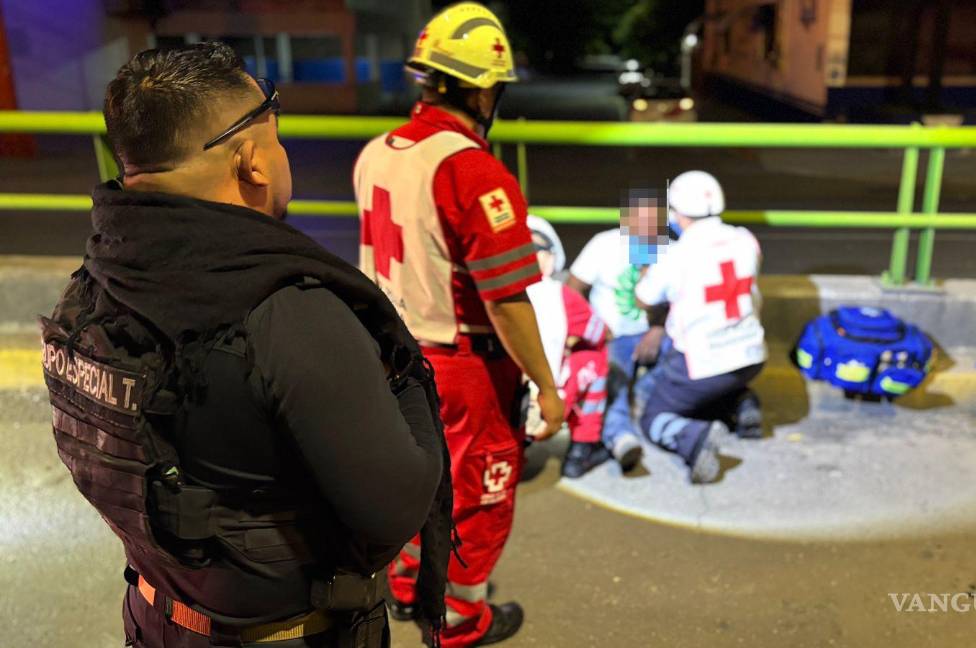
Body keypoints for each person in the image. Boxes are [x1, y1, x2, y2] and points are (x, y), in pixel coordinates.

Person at [41, 43, 452, 648]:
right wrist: (406, 376)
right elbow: (398, 506)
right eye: (277, 138)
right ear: (252, 162)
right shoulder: (288, 312)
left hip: (156, 613)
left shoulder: (97, 283)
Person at [353, 4, 563, 646]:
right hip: (463, 368)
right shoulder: (472, 170)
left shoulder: (377, 153)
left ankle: (411, 583)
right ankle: (461, 620)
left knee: (415, 480)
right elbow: (506, 300)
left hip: (390, 355)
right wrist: (549, 387)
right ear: (480, 87)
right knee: (480, 496)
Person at [635, 171, 766, 484]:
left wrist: (646, 253)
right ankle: (740, 402)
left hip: (702, 364)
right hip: (751, 357)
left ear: (676, 212)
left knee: (653, 418)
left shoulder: (676, 255)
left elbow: (643, 298)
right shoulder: (746, 239)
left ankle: (693, 438)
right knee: (713, 387)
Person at [567, 189, 671, 471]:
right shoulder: (604, 245)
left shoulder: (671, 250)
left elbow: (683, 301)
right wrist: (594, 329)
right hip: (612, 336)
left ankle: (645, 403)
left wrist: (658, 329)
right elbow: (572, 291)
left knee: (681, 362)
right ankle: (621, 436)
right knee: (611, 380)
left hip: (656, 332)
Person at [525, 215, 612, 478]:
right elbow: (600, 333)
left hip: (493, 400)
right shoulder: (559, 295)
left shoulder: (486, 291)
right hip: (542, 403)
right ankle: (582, 449)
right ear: (549, 259)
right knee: (594, 359)